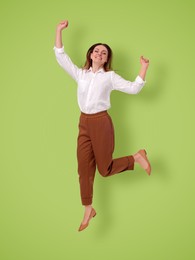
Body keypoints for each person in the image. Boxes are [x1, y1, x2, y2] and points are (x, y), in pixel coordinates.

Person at [54, 20, 151, 232]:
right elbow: (61, 57)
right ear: (90, 55)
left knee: (104, 170)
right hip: (84, 123)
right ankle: (88, 208)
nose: (100, 54)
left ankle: (135, 157)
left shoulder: (110, 77)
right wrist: (59, 30)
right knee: (83, 168)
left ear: (106, 59)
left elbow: (134, 89)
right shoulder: (80, 74)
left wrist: (143, 68)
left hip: (101, 122)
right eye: (96, 51)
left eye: (104, 53)